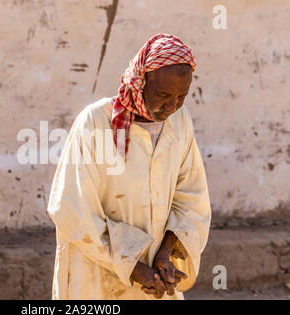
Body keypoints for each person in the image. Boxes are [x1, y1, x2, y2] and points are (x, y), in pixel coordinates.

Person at [47, 33, 212, 300]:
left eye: (182, 96)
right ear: (140, 82)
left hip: (155, 280)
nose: (172, 105)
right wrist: (132, 266)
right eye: (163, 95)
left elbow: (191, 197)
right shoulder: (96, 122)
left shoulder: (180, 122)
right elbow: (71, 208)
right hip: (94, 274)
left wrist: (166, 252)